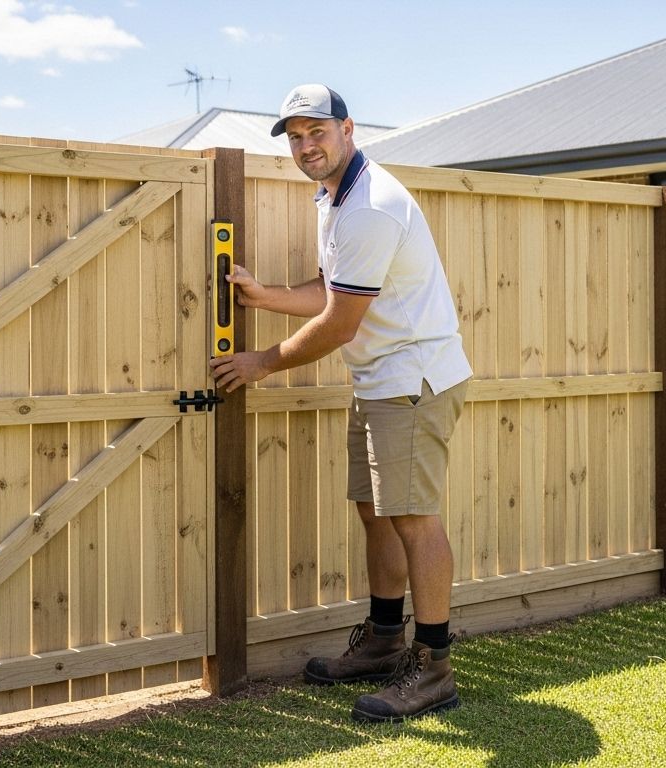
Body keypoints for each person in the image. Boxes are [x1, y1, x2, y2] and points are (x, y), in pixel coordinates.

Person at [209, 83, 473, 724]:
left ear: (348, 129)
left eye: (316, 133)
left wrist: (261, 361)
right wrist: (265, 295)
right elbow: (334, 290)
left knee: (412, 518)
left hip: (412, 379)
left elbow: (338, 326)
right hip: (379, 379)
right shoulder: (335, 197)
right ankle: (384, 641)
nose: (306, 147)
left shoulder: (371, 207)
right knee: (376, 512)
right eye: (295, 137)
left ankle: (433, 667)